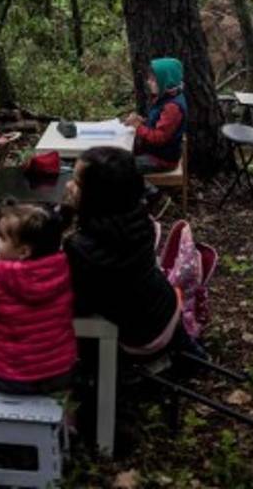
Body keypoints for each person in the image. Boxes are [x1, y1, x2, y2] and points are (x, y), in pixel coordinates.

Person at [62, 146, 183, 357]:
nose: (68, 186)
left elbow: (78, 306)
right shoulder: (139, 220)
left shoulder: (81, 248)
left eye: (77, 183)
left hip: (142, 337)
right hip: (166, 308)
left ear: (98, 195)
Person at [0, 202, 77, 394]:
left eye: (2, 238)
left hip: (11, 377)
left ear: (24, 252)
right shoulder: (64, 269)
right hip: (60, 373)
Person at [123, 57, 187, 174]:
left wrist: (138, 127)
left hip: (161, 160)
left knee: (119, 168)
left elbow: (160, 137)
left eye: (153, 80)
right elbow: (159, 123)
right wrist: (142, 121)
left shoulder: (172, 107)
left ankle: (148, 191)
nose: (148, 82)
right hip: (155, 153)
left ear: (166, 81)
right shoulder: (166, 97)